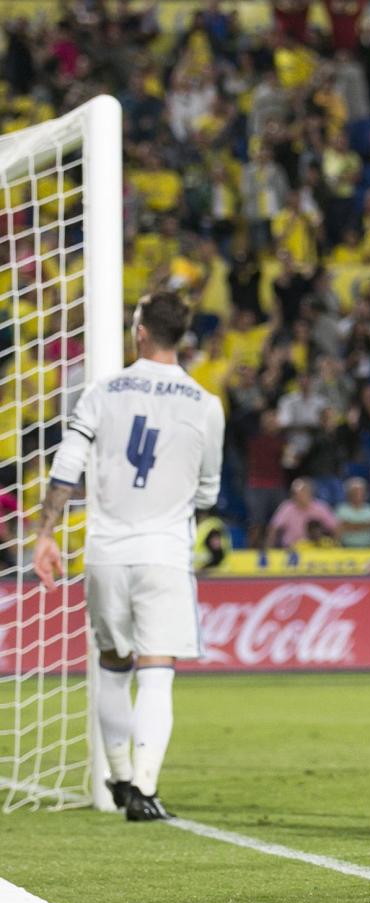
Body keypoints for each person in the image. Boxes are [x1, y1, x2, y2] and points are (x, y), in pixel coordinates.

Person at [32, 292, 225, 822]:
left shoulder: (102, 391)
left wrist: (45, 534)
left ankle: (117, 774)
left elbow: (68, 464)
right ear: (181, 336)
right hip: (163, 553)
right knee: (157, 672)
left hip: (106, 553)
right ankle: (142, 786)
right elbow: (208, 492)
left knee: (114, 666)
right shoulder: (206, 404)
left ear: (139, 331)